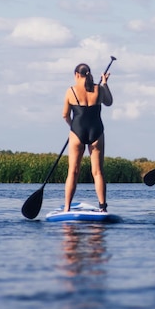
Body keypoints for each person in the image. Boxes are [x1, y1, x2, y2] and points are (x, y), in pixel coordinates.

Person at [62, 63, 113, 212]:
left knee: (73, 171)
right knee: (98, 172)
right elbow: (109, 102)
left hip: (77, 131)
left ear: (77, 74)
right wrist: (104, 83)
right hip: (96, 131)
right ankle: (102, 207)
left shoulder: (70, 91)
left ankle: (67, 208)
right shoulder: (99, 88)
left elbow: (65, 115)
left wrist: (73, 127)